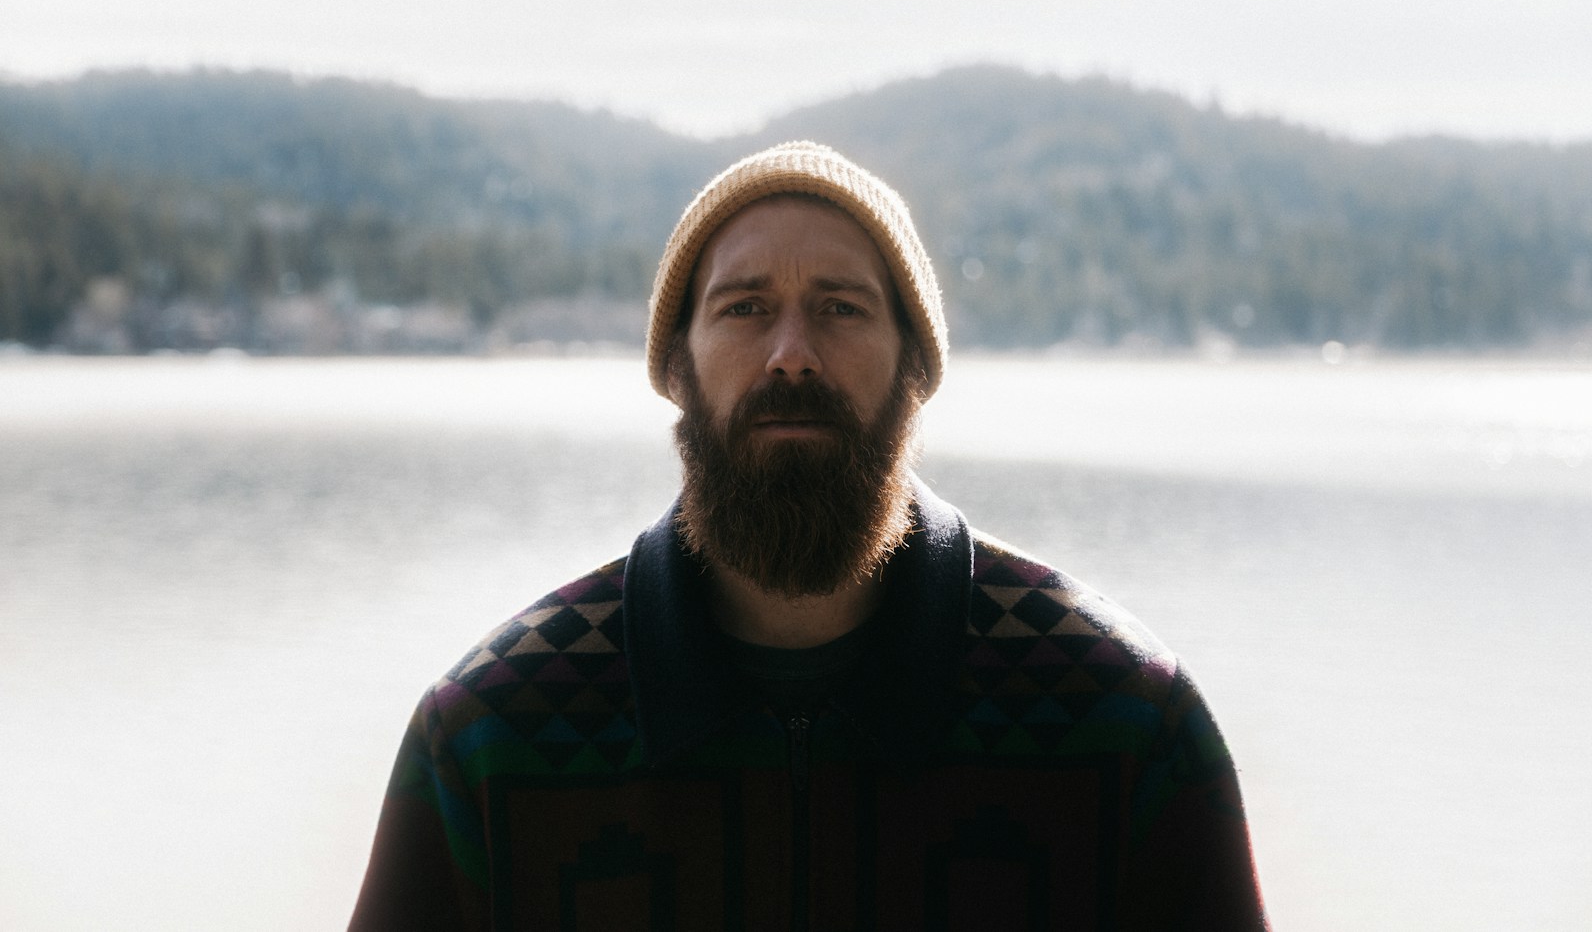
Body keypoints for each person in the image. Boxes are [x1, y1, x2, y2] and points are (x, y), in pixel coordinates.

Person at [350, 141, 1270, 930]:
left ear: (915, 365)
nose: (791, 351)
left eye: (841, 306)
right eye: (745, 306)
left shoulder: (1120, 718)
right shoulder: (491, 733)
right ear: (677, 366)